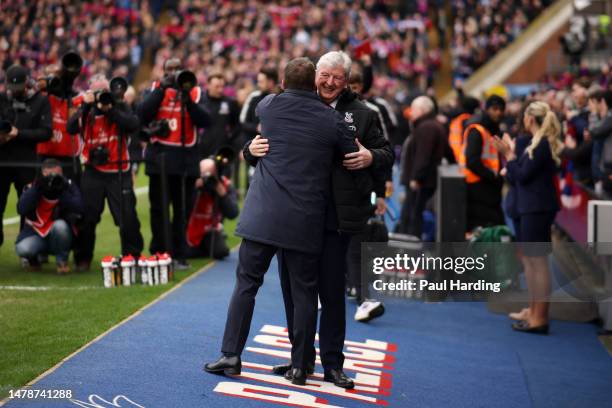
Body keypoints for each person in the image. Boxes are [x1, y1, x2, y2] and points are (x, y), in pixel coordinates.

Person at [204, 57, 360, 386]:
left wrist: (252, 148)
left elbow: (267, 112)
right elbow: (350, 154)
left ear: (283, 83)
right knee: (305, 294)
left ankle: (231, 355)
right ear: (314, 82)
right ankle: (301, 366)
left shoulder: (269, 106)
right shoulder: (331, 120)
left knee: (246, 284)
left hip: (263, 214)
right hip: (304, 219)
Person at [246, 51, 394, 387]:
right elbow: (261, 140)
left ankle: (332, 364)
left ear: (346, 80)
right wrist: (248, 150)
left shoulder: (364, 113)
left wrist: (371, 156)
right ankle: (300, 361)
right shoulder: (291, 104)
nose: (328, 82)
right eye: (324, 75)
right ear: (314, 75)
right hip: (294, 214)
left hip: (334, 220)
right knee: (293, 293)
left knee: (331, 294)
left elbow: (388, 154)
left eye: (336, 77)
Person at [493, 101, 562, 335]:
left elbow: (522, 174)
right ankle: (534, 311)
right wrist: (511, 158)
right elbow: (517, 176)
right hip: (529, 206)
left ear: (530, 119)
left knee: (538, 262)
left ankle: (540, 317)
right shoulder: (535, 143)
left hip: (538, 208)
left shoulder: (541, 145)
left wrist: (509, 156)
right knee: (531, 262)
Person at [138, 58, 212, 269]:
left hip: (186, 161)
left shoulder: (196, 92)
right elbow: (142, 114)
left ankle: (179, 252)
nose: (173, 74)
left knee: (182, 210)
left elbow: (206, 120)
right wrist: (161, 90)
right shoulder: (154, 89)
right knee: (158, 210)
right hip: (159, 160)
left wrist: (187, 99)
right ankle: (160, 251)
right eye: (169, 70)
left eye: (177, 70)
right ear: (163, 73)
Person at [67, 75, 143, 270]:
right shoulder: (86, 109)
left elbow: (133, 124)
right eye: (97, 92)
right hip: (93, 171)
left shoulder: (119, 106)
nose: (101, 96)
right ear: (90, 92)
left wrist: (110, 111)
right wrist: (85, 106)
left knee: (127, 217)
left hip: (119, 169)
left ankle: (131, 256)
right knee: (87, 217)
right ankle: (82, 258)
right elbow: (70, 128)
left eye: (104, 92)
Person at [0, 65, 52, 249]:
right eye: (11, 88)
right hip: (3, 161)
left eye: (18, 88)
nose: (14, 92)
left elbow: (46, 132)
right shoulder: (2, 99)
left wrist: (19, 133)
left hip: (27, 162)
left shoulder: (39, 101)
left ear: (27, 84)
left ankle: (26, 247)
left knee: (28, 207)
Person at [15, 159, 83, 274]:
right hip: (36, 234)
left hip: (59, 235)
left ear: (62, 174)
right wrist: (37, 188)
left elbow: (80, 207)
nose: (53, 179)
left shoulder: (68, 186)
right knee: (23, 248)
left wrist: (62, 191)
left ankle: (62, 262)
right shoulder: (32, 187)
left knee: (60, 226)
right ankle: (34, 261)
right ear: (42, 175)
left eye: (57, 175)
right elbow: (21, 209)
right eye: (49, 176)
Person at [398, 96, 447, 239]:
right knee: (413, 214)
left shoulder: (427, 127)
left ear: (423, 110)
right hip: (424, 181)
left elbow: (422, 155)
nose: (410, 112)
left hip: (420, 182)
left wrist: (415, 177)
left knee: (413, 216)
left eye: (413, 109)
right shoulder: (431, 125)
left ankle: (409, 251)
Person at [36, 52, 85, 183]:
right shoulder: (40, 96)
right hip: (45, 156)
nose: (56, 79)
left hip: (68, 157)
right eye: (51, 75)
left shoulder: (74, 98)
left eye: (58, 74)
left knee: (74, 199)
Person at [461, 94, 506, 231]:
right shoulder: (477, 130)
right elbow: (472, 160)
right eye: (494, 108)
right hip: (477, 186)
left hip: (488, 185)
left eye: (501, 109)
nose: (498, 112)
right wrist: (492, 176)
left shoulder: (493, 129)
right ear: (486, 110)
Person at [185, 157, 239, 259]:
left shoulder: (224, 184)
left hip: (210, 229)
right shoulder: (191, 183)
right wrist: (194, 188)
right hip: (189, 227)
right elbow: (182, 208)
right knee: (183, 251)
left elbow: (233, 213)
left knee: (221, 251)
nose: (208, 179)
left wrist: (222, 194)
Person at [198, 73, 241, 159]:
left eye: (222, 86)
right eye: (217, 86)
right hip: (202, 148)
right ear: (208, 85)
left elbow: (237, 125)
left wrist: (229, 137)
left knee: (222, 171)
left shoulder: (230, 103)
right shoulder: (200, 101)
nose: (220, 90)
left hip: (222, 148)